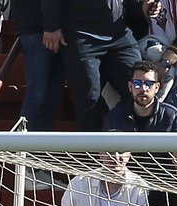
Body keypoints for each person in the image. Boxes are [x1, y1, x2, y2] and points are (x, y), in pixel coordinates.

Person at [42, 0, 145, 131]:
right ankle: (91, 148)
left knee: (140, 87)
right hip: (80, 34)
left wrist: (142, 6)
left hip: (119, 34)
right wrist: (51, 27)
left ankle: (135, 144)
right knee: (89, 97)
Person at [10, 0, 64, 133]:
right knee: (37, 95)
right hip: (37, 29)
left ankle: (38, 148)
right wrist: (51, 27)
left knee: (52, 96)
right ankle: (21, 146)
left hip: (53, 29)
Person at [103, 60, 177, 134]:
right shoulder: (114, 117)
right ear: (130, 86)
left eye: (149, 84)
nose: (143, 89)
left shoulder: (173, 116)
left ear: (157, 87)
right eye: (137, 83)